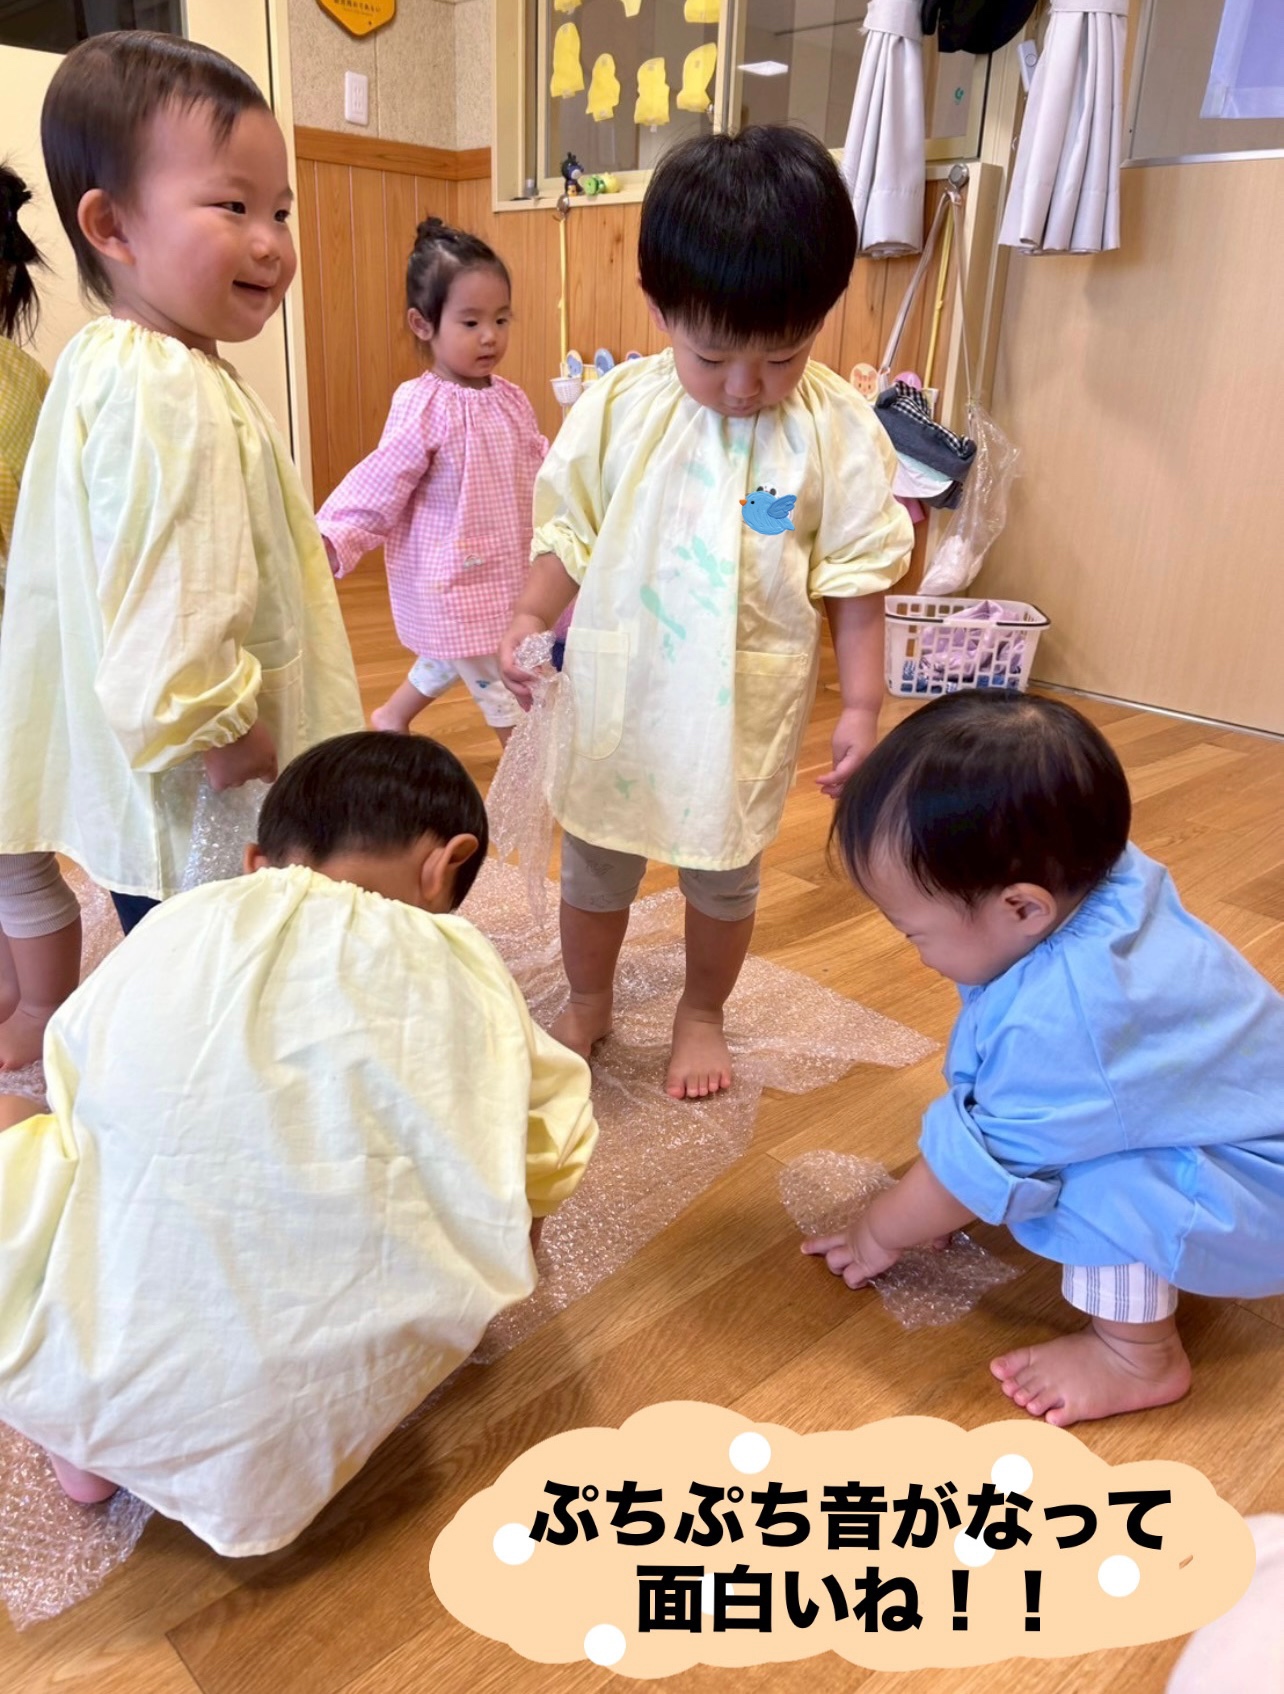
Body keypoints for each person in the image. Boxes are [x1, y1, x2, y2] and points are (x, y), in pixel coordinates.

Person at [0, 731, 598, 1555]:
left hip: (91, 1345)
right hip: (301, 1428)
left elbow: (82, 1059)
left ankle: (77, 1429)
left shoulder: (187, 920)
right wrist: (504, 1255)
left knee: (25, 1120)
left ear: (256, 862)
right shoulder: (464, 968)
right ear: (446, 865)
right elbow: (554, 1138)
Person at [499, 127, 912, 1101]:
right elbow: (569, 531)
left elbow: (857, 580)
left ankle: (702, 1010)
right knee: (594, 861)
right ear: (659, 309)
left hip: (741, 705)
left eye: (784, 355)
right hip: (620, 687)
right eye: (713, 354)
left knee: (724, 875)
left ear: (822, 316)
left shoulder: (835, 430)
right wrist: (526, 615)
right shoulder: (619, 408)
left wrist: (863, 706)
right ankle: (590, 997)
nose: (744, 386)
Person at [804, 690, 1284, 1426]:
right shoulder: (1102, 878)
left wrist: (883, 1229)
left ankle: (1137, 1356)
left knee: (1101, 1176)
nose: (913, 951)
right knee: (1072, 1133)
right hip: (1253, 1135)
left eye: (912, 932)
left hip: (1264, 1198)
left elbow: (982, 1164)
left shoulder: (1066, 1023)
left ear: (1024, 908)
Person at [0, 32, 363, 938]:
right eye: (233, 206)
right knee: (211, 950)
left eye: (280, 211)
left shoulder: (110, 361)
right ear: (112, 227)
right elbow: (168, 578)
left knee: (178, 934)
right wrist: (218, 724)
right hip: (204, 777)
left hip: (163, 771)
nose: (270, 243)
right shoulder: (162, 387)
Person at [318, 217, 548, 744]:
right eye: (470, 322)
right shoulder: (423, 404)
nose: (490, 336)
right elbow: (382, 478)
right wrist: (334, 535)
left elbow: (541, 461)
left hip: (505, 565)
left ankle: (392, 716)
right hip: (455, 576)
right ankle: (523, 765)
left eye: (502, 319)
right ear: (423, 325)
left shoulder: (512, 398)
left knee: (452, 653)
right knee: (500, 679)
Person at [0, 164, 81, 1067]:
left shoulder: (21, 391)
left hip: (9, 663)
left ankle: (46, 1002)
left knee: (13, 849)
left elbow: (42, 545)